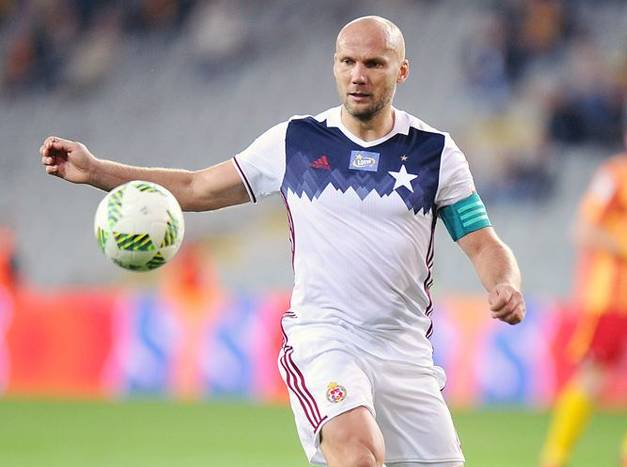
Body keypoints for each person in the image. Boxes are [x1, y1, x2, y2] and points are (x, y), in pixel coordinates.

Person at [40, 16, 525, 467]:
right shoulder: (296, 142)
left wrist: (504, 284)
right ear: (334, 66)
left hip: (406, 354)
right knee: (359, 455)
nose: (358, 75)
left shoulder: (435, 153)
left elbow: (483, 243)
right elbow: (196, 187)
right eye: (347, 61)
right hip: (325, 340)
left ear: (401, 71)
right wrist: (96, 171)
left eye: (374, 63)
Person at [539, 100, 627, 467]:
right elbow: (582, 231)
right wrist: (626, 245)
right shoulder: (614, 177)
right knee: (593, 379)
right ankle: (555, 455)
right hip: (610, 298)